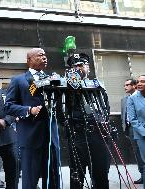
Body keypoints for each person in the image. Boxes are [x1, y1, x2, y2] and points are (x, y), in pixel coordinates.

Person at [5, 48, 61, 189]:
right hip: (30, 137)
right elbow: (8, 106)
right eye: (40, 55)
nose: (44, 57)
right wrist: (29, 110)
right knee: (30, 181)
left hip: (51, 138)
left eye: (45, 55)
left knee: (53, 180)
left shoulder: (52, 79)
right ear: (29, 60)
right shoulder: (19, 80)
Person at [59, 53, 111, 189]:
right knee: (77, 178)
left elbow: (106, 110)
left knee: (101, 176)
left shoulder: (98, 87)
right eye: (74, 66)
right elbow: (60, 114)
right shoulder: (65, 89)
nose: (78, 68)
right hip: (77, 136)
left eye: (81, 65)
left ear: (88, 67)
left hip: (98, 136)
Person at [121, 79, 143, 184]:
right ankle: (142, 174)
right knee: (137, 153)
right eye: (124, 85)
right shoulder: (125, 99)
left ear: (134, 85)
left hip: (140, 128)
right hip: (130, 129)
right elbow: (124, 115)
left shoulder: (140, 97)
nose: (125, 87)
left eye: (127, 85)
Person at [127, 75, 145, 188]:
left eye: (143, 81)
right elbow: (132, 119)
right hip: (142, 135)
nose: (139, 83)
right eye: (138, 82)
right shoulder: (132, 98)